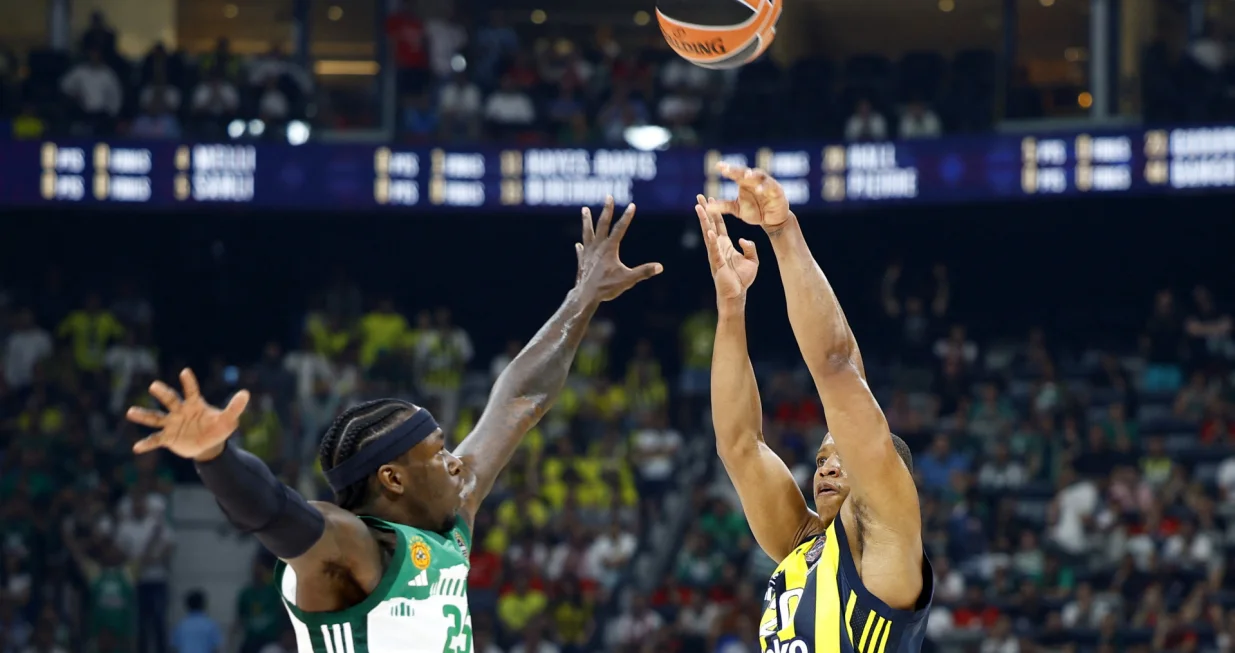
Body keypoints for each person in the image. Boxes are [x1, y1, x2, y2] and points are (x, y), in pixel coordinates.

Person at [125, 197, 662, 653]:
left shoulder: (452, 517)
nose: (456, 461)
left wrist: (582, 298)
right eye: (438, 451)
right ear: (393, 479)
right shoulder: (352, 550)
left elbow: (520, 399)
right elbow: (271, 511)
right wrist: (214, 458)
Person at [693, 164, 932, 653]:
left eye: (838, 455)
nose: (826, 466)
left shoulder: (887, 542)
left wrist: (782, 233)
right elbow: (739, 446)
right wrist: (732, 308)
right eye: (822, 459)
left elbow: (839, 370)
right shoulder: (802, 544)